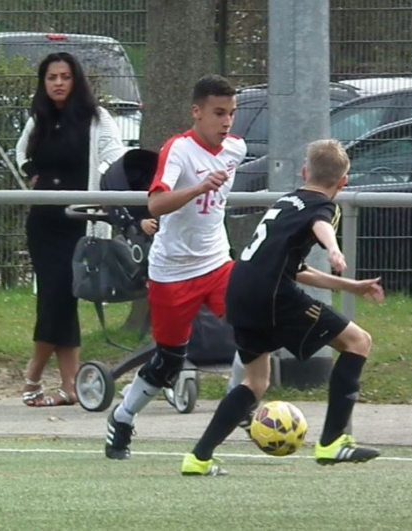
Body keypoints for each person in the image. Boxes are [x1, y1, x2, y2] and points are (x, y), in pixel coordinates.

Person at [181, 139, 383, 475]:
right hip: (273, 296)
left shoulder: (286, 201)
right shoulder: (324, 205)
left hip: (240, 291)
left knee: (255, 381)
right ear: (343, 182)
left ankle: (198, 459)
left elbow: (297, 269)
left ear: (304, 172)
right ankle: (333, 441)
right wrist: (333, 248)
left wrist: (352, 286)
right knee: (358, 342)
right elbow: (321, 223)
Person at [104, 74, 246, 459]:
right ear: (196, 112)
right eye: (218, 113)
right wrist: (198, 188)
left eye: (231, 113)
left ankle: (240, 404)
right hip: (172, 272)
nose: (226, 122)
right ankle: (123, 416)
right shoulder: (178, 150)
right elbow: (155, 204)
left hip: (217, 263)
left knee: (254, 330)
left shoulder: (236, 148)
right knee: (168, 360)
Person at [14, 52, 125, 407]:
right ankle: (69, 386)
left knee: (63, 296)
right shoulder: (39, 118)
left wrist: (103, 194)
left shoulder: (97, 118)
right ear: (43, 82)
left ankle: (36, 374)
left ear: (75, 80)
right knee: (56, 297)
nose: (58, 83)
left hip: (79, 222)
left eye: (64, 76)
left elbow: (114, 158)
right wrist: (33, 174)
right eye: (51, 77)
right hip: (43, 223)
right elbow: (22, 153)